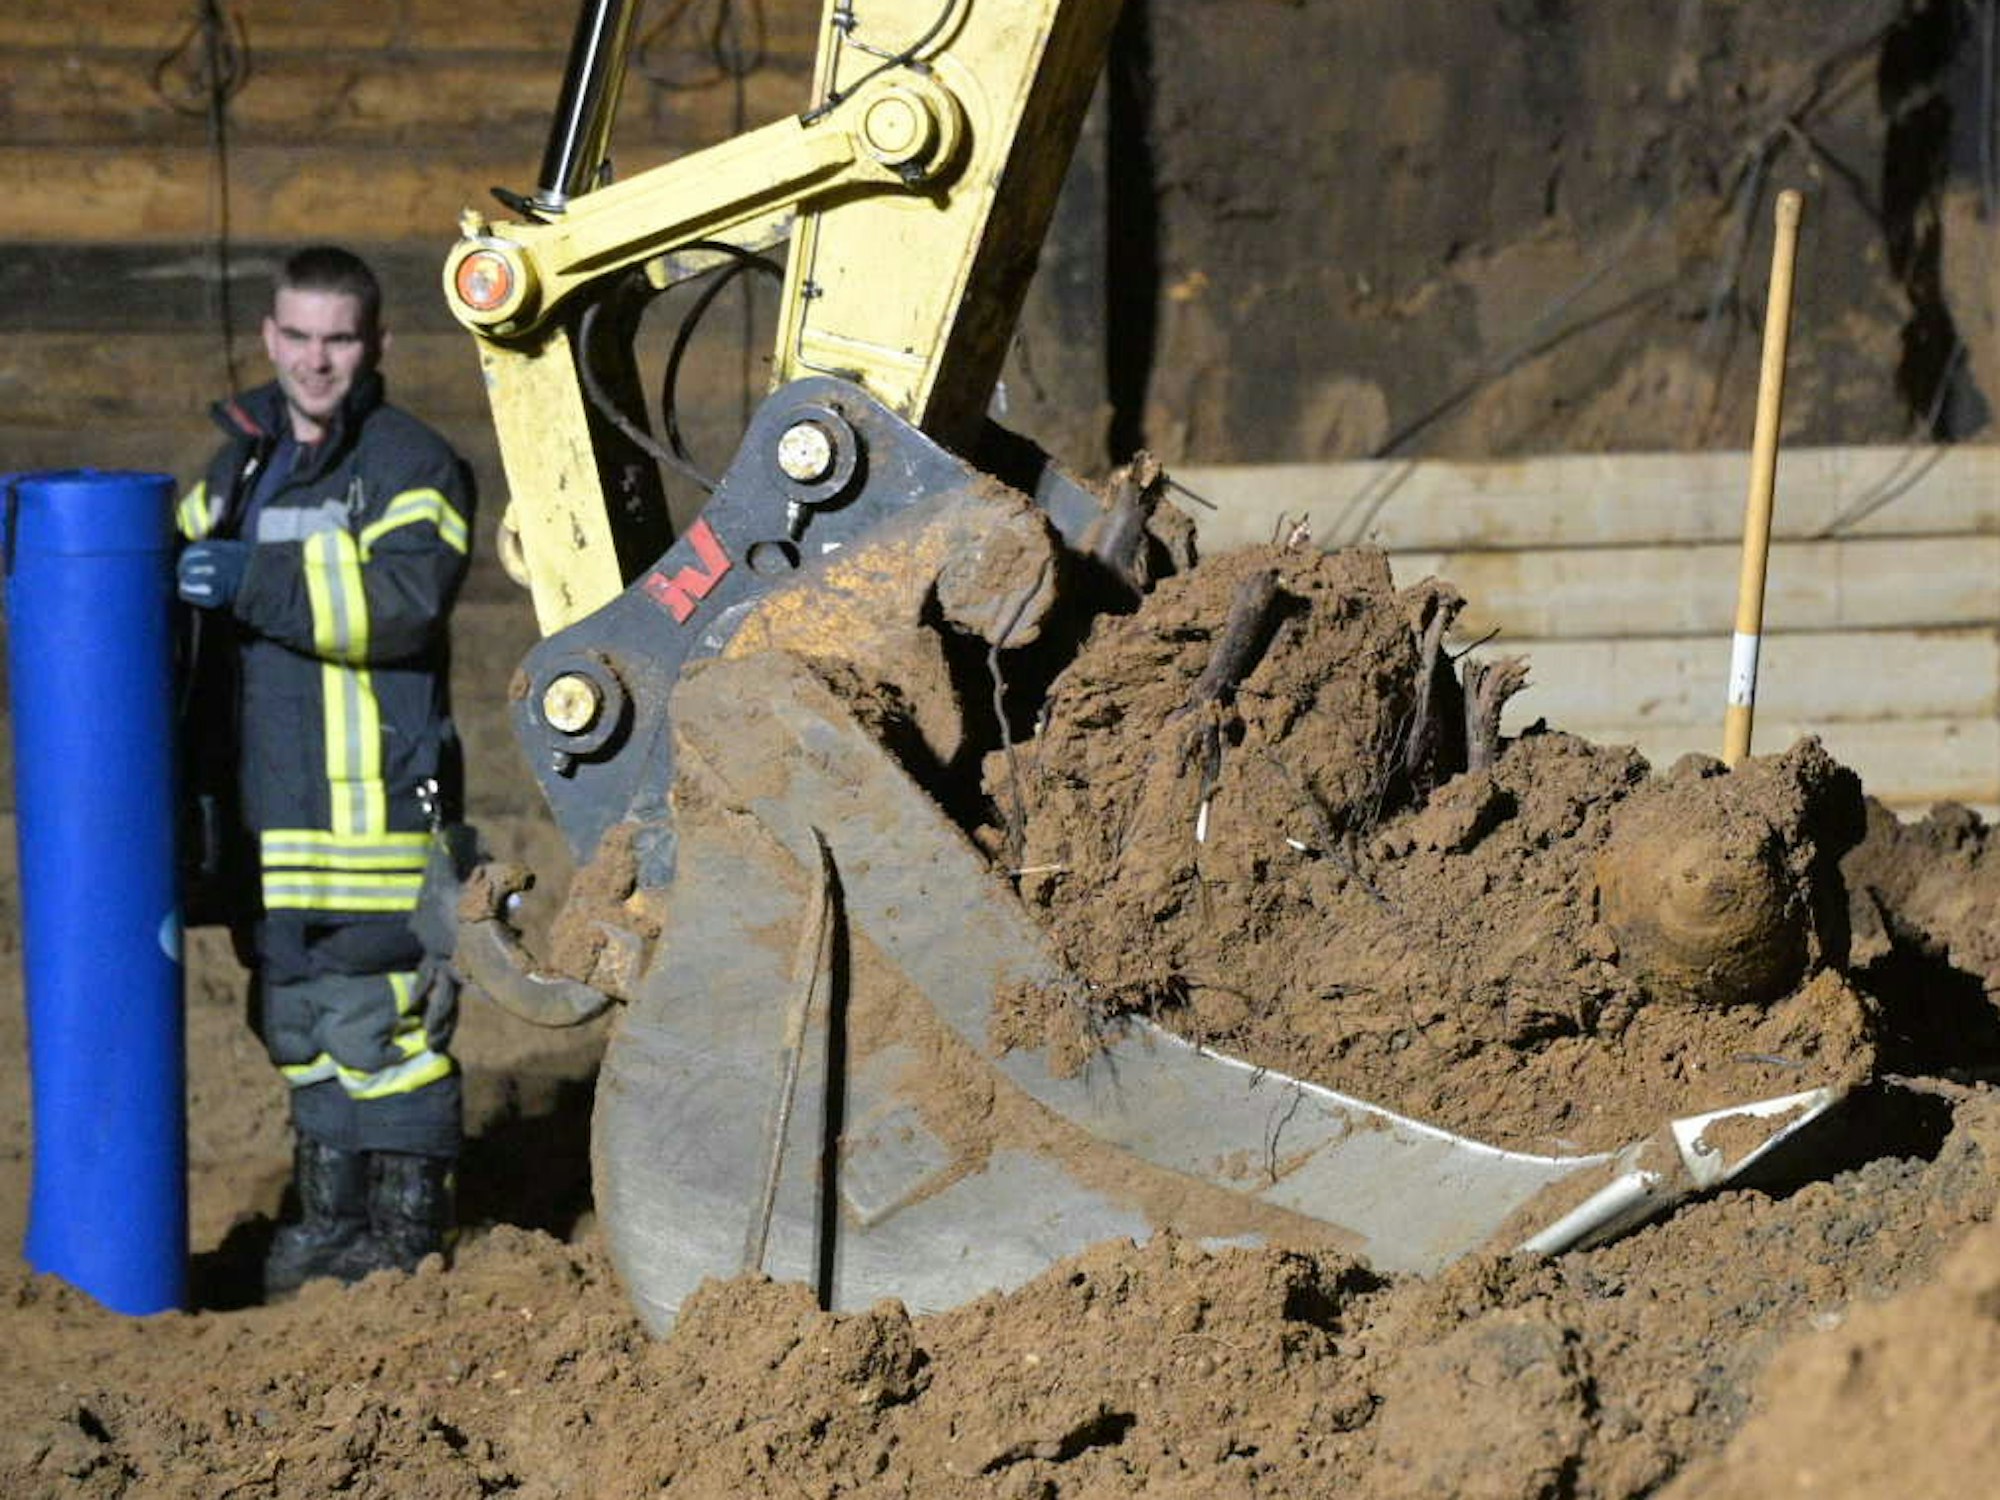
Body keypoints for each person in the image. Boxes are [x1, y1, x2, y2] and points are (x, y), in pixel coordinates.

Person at [175, 245, 476, 1296]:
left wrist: (252, 576)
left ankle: (404, 1234)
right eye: (297, 336)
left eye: (337, 339)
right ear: (269, 338)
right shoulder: (233, 471)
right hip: (266, 822)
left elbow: (400, 604)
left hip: (372, 816)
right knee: (296, 1019)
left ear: (375, 345)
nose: (314, 361)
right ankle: (328, 1221)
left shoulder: (411, 465)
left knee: (381, 1023)